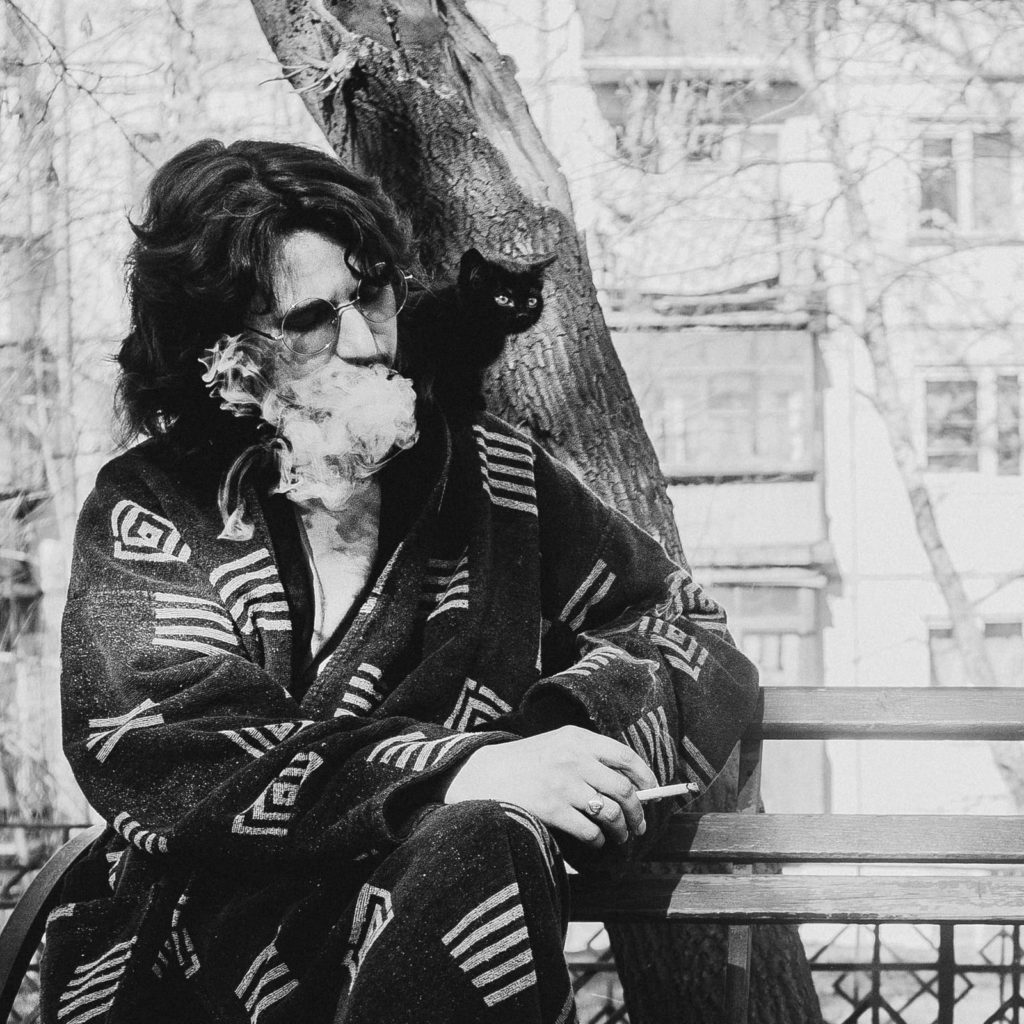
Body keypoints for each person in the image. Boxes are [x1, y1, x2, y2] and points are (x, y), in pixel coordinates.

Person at [42, 139, 759, 1024]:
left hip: (444, 895)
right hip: (207, 944)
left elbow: (679, 624)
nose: (367, 341)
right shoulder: (154, 502)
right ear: (224, 352)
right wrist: (456, 767)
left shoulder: (493, 476)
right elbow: (164, 745)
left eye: (374, 293)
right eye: (310, 318)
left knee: (481, 835)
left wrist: (557, 738)